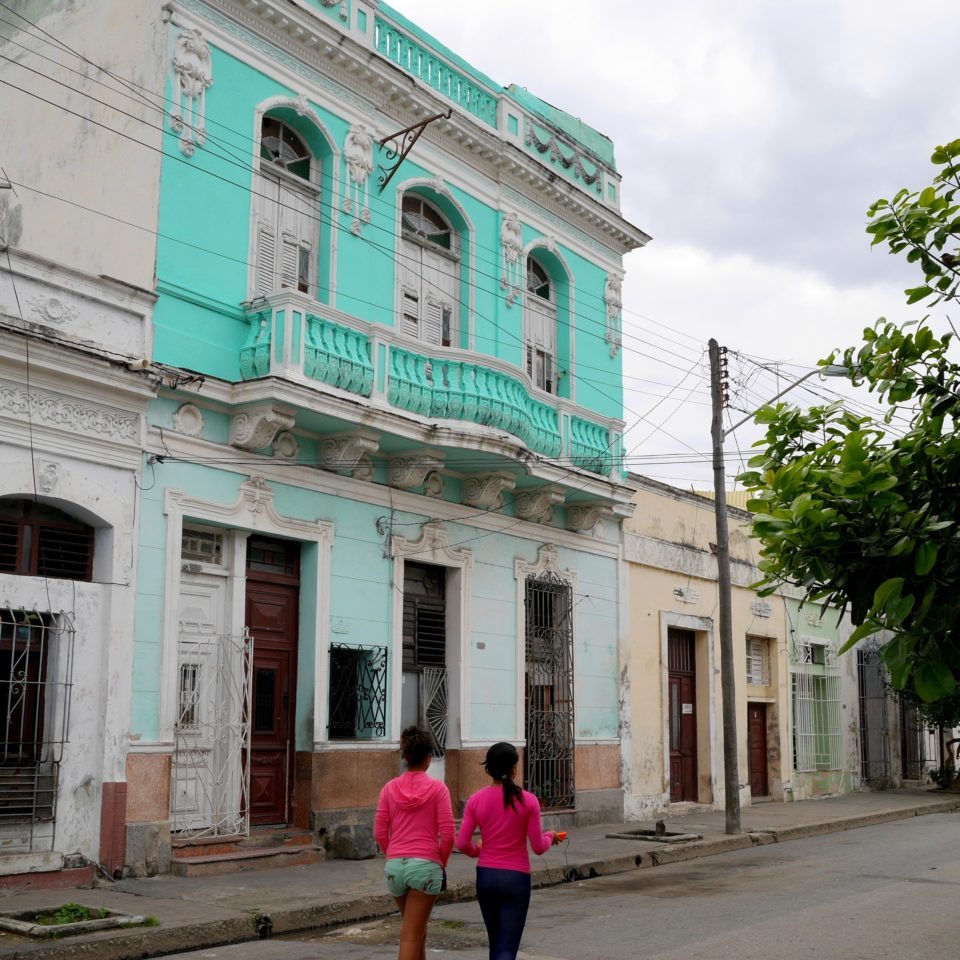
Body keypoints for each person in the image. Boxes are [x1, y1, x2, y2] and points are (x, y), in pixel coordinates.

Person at [456, 742, 563, 960]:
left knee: (495, 943)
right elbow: (538, 847)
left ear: (489, 769)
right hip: (516, 879)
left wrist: (478, 851)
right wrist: (551, 836)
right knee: (506, 948)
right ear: (514, 769)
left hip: (486, 876)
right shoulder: (529, 801)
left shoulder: (475, 800)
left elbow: (462, 843)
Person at [374, 725, 455, 960]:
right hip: (426, 866)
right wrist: (441, 860)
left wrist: (394, 854)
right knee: (411, 934)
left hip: (395, 868)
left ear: (405, 758)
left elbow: (380, 832)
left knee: (417, 930)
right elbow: (448, 834)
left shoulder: (389, 788)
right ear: (429, 759)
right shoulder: (438, 789)